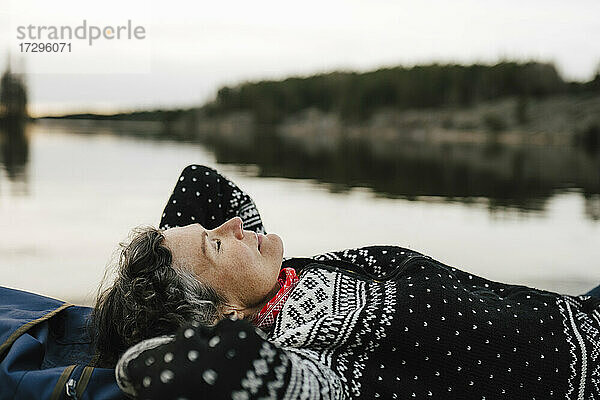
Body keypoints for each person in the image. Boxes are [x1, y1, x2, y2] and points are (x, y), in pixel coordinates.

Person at [91, 165, 600, 400]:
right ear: (225, 316)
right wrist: (163, 337)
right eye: (218, 244)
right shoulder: (307, 357)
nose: (233, 227)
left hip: (581, 312)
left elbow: (199, 182)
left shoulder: (274, 280)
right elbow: (201, 368)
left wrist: (175, 248)